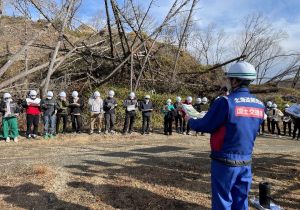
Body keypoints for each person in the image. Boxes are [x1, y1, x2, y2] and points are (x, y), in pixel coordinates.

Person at [188, 61, 264, 210]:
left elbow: (206, 125)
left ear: (235, 81)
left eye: (229, 79)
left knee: (222, 201)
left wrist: (191, 121)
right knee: (241, 201)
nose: (228, 82)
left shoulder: (226, 102)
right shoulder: (260, 104)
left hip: (225, 161)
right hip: (246, 161)